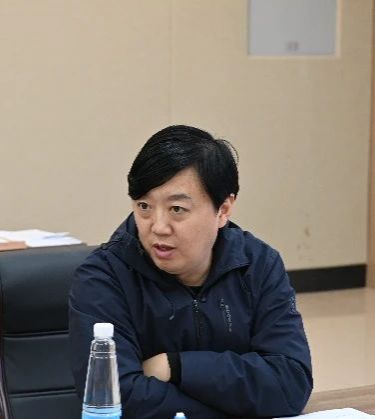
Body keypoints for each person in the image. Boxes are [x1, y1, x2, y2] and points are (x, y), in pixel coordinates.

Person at [69, 125, 313, 418]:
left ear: (223, 210)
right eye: (144, 206)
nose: (158, 227)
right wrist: (240, 404)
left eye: (177, 209)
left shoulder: (258, 264)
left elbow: (290, 383)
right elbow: (118, 399)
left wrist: (176, 366)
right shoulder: (103, 277)